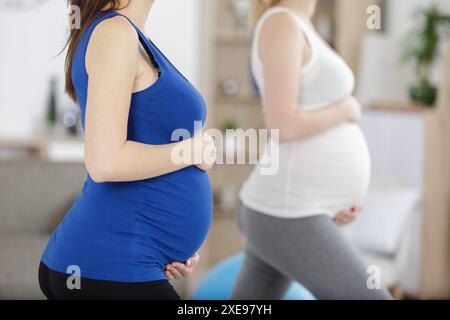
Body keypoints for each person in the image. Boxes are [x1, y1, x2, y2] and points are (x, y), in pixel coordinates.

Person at [38, 0, 216, 300]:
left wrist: (171, 244)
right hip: (110, 263)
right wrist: (191, 151)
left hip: (130, 260)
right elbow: (105, 161)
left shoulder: (128, 33)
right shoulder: (115, 32)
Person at [231, 0, 392, 300]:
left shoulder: (300, 24)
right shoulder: (281, 25)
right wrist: (344, 110)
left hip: (292, 208)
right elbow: (283, 125)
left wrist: (335, 198)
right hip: (287, 210)